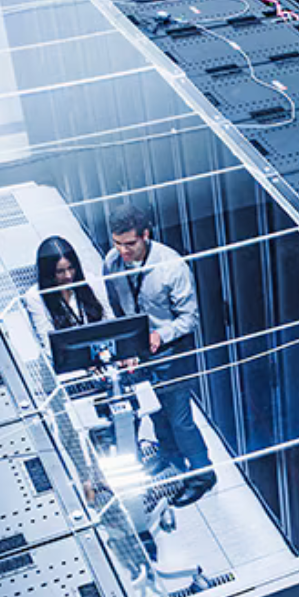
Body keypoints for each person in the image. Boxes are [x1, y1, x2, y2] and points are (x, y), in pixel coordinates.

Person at [103, 203, 216, 507]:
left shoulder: (171, 265)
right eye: (117, 242)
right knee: (155, 412)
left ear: (146, 235)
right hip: (138, 353)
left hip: (172, 351)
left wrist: (159, 335)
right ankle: (172, 460)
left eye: (130, 243)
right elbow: (117, 309)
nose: (122, 250)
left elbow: (189, 319)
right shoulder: (111, 262)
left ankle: (204, 475)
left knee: (180, 420)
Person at [24, 235, 111, 343]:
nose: (68, 275)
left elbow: (109, 318)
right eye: (60, 271)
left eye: (71, 268)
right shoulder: (35, 297)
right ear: (49, 273)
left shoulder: (90, 280)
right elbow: (48, 341)